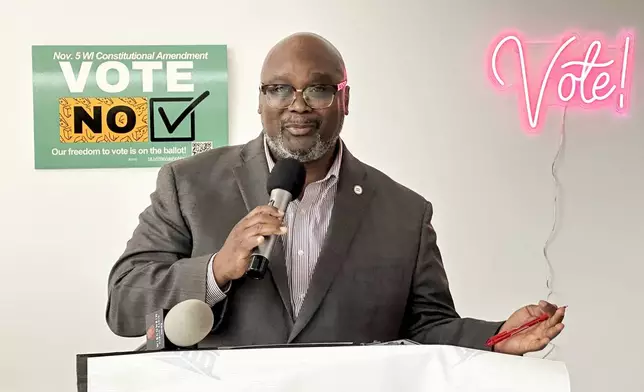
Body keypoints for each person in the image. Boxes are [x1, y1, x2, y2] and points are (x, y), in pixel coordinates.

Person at [106, 32, 565, 355]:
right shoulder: (188, 183)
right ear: (260, 99)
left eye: (320, 89)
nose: (298, 105)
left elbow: (427, 327)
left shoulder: (405, 212)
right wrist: (215, 270)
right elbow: (124, 304)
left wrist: (495, 337)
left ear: (345, 99)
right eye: (279, 88)